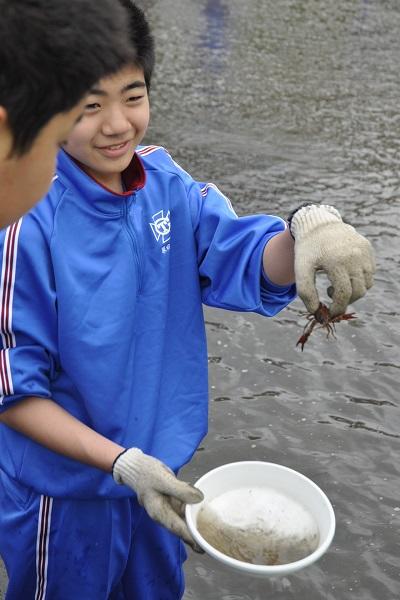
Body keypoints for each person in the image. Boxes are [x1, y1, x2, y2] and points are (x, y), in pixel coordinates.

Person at [0, 2, 375, 599]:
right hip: (67, 498)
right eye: (89, 105)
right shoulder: (22, 218)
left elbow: (243, 256)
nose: (117, 124)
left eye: (134, 95)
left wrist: (307, 227)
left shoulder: (165, 182)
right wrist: (122, 463)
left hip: (160, 484)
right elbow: (14, 393)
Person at [0, 0, 136, 229]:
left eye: (133, 98)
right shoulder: (27, 231)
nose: (118, 126)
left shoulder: (165, 175)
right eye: (57, 142)